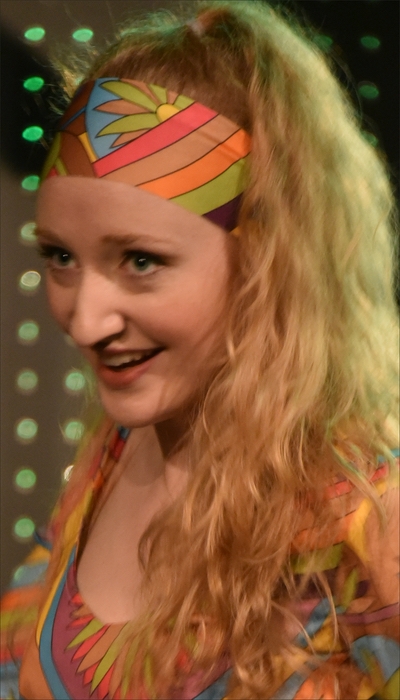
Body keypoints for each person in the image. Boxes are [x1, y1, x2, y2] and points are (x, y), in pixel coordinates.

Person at [1, 1, 399, 698]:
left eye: (141, 261)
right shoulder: (110, 458)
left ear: (268, 262)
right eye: (61, 257)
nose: (85, 322)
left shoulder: (369, 519)